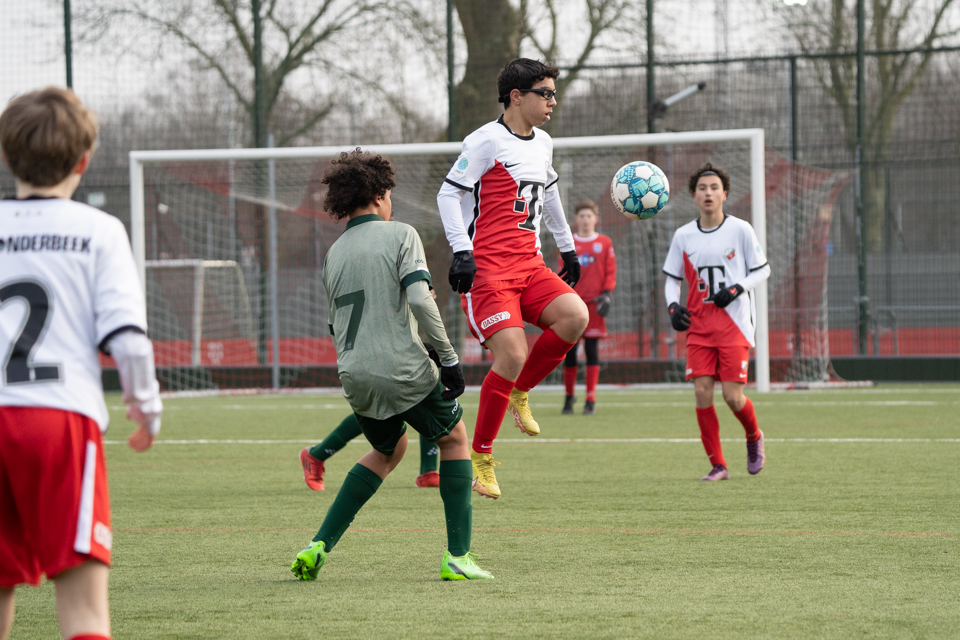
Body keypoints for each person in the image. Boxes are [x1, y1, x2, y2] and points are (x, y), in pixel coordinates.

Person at [0, 87, 163, 640]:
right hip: (58, 420)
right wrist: (146, 407)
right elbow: (129, 340)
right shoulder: (98, 230)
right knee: (85, 616)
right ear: (83, 160)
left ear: (6, 156)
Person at [291, 149, 491, 581]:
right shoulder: (401, 234)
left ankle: (318, 544)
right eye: (390, 195)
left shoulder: (335, 253)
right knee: (455, 440)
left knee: (389, 449)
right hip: (401, 368)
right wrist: (450, 359)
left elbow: (337, 324)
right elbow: (420, 299)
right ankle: (458, 556)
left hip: (354, 373)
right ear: (379, 194)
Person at [437, 58, 589, 500]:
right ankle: (481, 457)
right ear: (516, 96)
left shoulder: (543, 142)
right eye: (545, 93)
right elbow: (449, 194)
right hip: (488, 273)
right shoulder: (485, 141)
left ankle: (520, 393)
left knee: (575, 317)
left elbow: (552, 192)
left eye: (554, 93)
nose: (552, 102)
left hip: (530, 265)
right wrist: (461, 252)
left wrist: (568, 247)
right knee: (513, 352)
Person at [662, 163, 771, 481]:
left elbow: (762, 269)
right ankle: (718, 465)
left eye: (714, 188)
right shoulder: (683, 235)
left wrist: (738, 289)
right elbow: (672, 277)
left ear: (725, 194)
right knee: (702, 392)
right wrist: (672, 306)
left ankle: (754, 436)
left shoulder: (741, 229)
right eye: (702, 188)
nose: (708, 193)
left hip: (733, 325)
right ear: (694, 195)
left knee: (732, 397)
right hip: (699, 326)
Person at [299, 344, 445, 490]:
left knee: (423, 391)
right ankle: (317, 455)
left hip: (408, 333)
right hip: (383, 340)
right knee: (383, 404)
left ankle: (428, 471)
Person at [560, 200, 617, 415]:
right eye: (581, 216)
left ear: (596, 218)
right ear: (576, 220)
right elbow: (562, 271)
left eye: (589, 216)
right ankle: (568, 397)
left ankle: (590, 399)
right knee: (570, 353)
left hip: (594, 306)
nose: (585, 220)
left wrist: (607, 295)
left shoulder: (604, 243)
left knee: (592, 352)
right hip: (572, 306)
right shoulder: (568, 243)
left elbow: (610, 272)